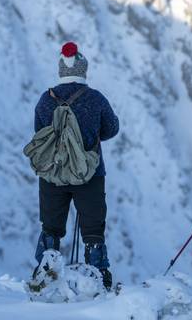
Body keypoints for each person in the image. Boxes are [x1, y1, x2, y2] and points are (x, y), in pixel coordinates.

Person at [32, 42, 119, 289]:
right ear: (83, 70)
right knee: (92, 230)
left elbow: (39, 133)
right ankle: (98, 276)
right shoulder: (95, 99)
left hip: (52, 174)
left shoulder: (45, 100)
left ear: (61, 70)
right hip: (89, 174)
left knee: (51, 227)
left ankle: (45, 274)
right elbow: (111, 129)